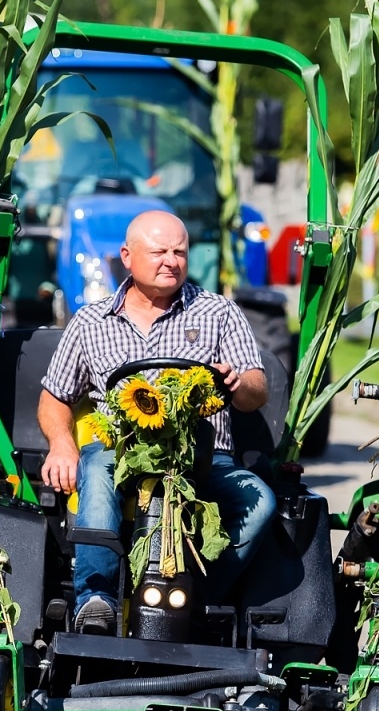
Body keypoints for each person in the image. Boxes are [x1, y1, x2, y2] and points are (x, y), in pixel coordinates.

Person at [38, 210, 276, 633]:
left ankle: (200, 599)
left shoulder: (218, 313)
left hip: (203, 459)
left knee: (260, 502)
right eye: (160, 251)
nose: (172, 260)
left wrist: (238, 384)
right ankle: (96, 598)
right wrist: (61, 445)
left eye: (180, 251)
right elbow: (54, 397)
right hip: (121, 455)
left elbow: (257, 389)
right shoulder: (91, 322)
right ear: (127, 257)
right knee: (95, 465)